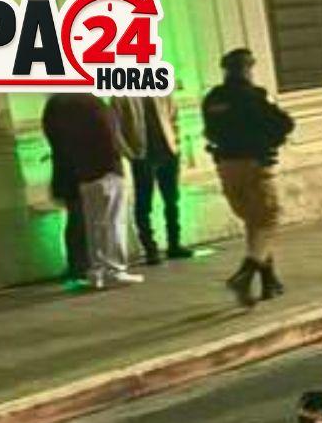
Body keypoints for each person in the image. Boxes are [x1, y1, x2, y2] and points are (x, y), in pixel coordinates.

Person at [201, 48, 294, 306]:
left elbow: (209, 132)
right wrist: (272, 139)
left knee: (254, 220)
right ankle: (246, 272)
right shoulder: (255, 97)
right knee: (269, 217)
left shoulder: (212, 99)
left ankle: (269, 280)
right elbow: (284, 123)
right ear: (247, 69)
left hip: (226, 167)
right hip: (254, 165)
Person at [41, 93, 141, 290]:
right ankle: (114, 269)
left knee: (94, 224)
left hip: (81, 174)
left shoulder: (56, 105)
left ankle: (97, 271)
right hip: (105, 170)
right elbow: (110, 134)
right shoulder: (90, 103)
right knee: (112, 222)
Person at [114, 94, 192, 265]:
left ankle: (174, 244)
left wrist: (176, 144)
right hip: (142, 156)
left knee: (172, 200)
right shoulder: (122, 96)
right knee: (143, 204)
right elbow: (115, 129)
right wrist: (130, 154)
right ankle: (150, 249)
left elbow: (173, 116)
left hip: (167, 153)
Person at [42, 95, 88, 283]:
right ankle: (79, 264)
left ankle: (79, 263)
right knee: (78, 219)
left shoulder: (56, 106)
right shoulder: (63, 106)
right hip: (75, 173)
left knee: (77, 219)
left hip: (71, 173)